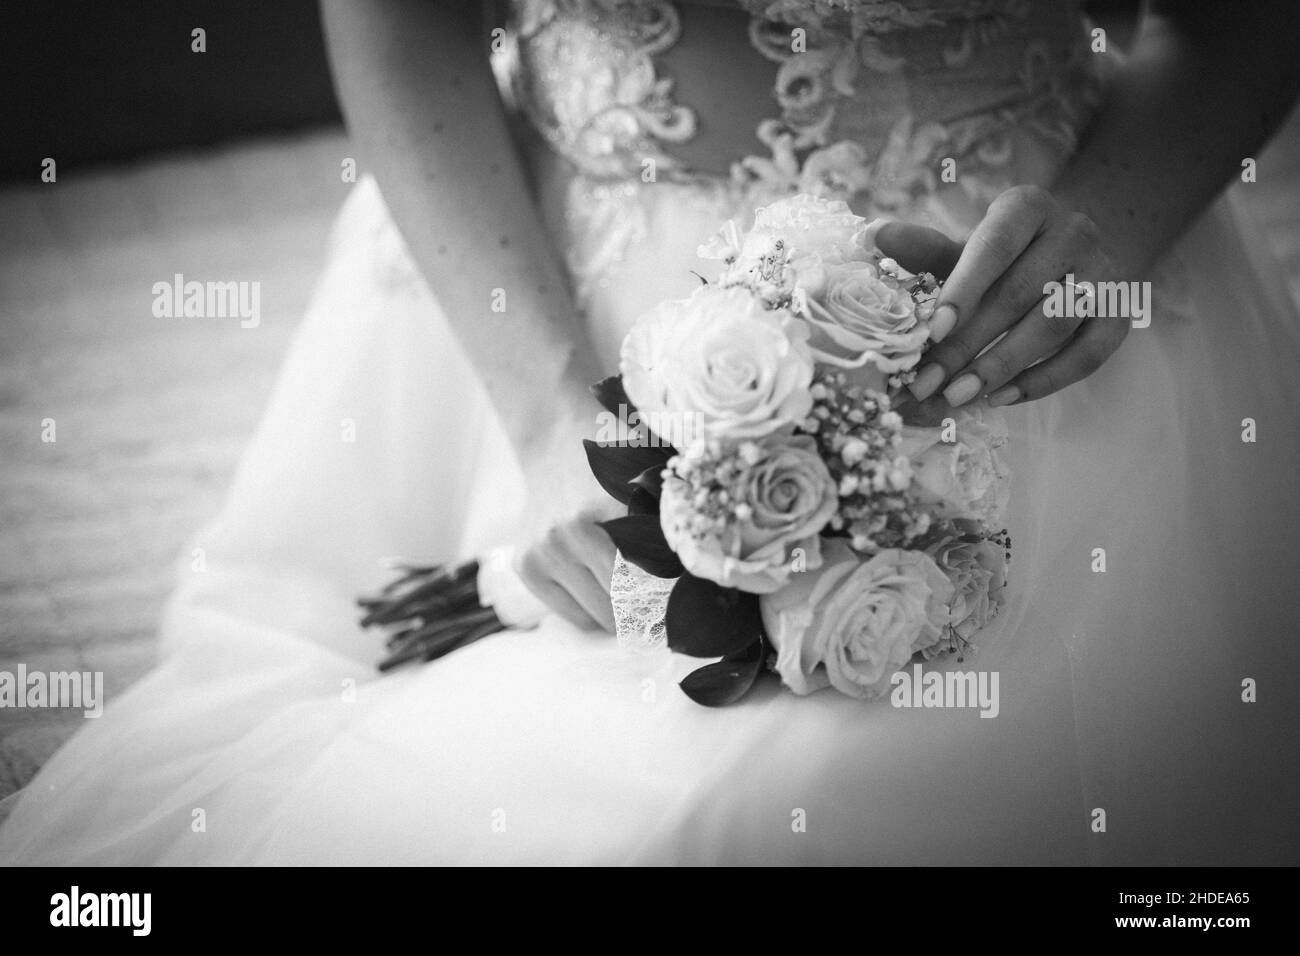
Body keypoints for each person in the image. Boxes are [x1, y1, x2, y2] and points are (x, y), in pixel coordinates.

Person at [2, 0, 1298, 864]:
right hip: (537, 278)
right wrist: (547, 412)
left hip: (1005, 296)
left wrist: (1114, 233)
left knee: (769, 816)